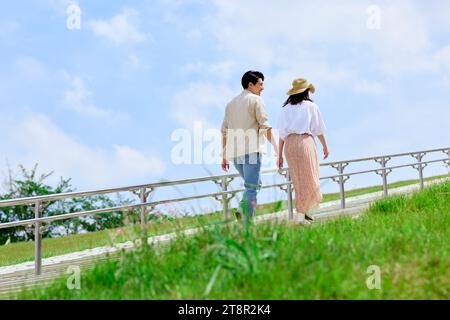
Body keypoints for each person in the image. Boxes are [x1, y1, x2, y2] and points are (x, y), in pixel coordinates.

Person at [221, 70, 278, 223]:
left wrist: (224, 155)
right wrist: (277, 148)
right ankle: (247, 223)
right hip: (251, 150)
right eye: (260, 84)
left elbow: (224, 131)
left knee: (253, 184)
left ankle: (241, 209)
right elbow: (265, 126)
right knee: (252, 187)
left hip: (234, 154)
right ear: (250, 84)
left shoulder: (230, 104)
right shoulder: (255, 100)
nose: (263, 88)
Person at [277, 78, 329, 225]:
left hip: (289, 145)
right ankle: (302, 216)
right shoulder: (310, 106)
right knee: (310, 177)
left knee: (298, 179)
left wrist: (280, 155)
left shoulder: (285, 109)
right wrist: (325, 145)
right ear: (306, 91)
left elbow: (282, 134)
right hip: (305, 142)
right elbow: (318, 129)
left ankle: (305, 215)